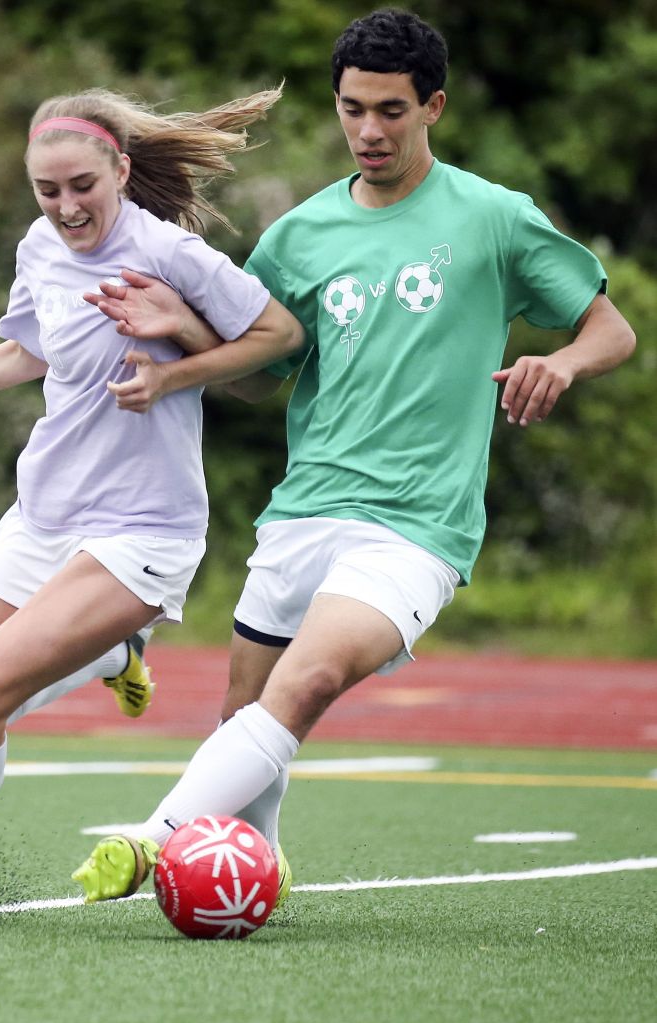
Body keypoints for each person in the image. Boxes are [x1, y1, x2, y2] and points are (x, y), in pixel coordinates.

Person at [71, 8, 636, 905]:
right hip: (302, 514)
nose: (368, 131)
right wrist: (185, 335)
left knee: (309, 682)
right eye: (351, 109)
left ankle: (153, 839)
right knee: (244, 723)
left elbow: (612, 329)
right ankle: (257, 871)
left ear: (432, 108)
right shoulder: (298, 237)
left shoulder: (493, 218)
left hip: (414, 526)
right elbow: (263, 375)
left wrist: (557, 361)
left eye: (389, 111)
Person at [0, 85, 303, 927]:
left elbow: (276, 342)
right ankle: (114, 656)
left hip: (141, 530)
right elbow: (27, 350)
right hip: (43, 517)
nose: (66, 206)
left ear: (120, 169)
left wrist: (173, 365)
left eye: (82, 185)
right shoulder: (38, 245)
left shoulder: (171, 254)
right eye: (47, 191)